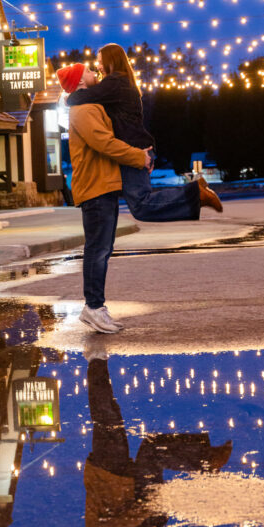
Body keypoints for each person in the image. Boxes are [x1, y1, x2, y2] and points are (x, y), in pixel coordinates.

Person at [79, 356, 233, 527]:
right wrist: (147, 509)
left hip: (112, 479)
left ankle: (97, 362)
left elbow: (117, 525)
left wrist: (146, 510)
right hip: (115, 480)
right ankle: (97, 362)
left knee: (111, 420)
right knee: (113, 422)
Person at [66, 43, 222, 218]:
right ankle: (195, 192)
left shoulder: (115, 82)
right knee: (141, 203)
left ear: (112, 61)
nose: (98, 66)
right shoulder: (123, 82)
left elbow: (84, 96)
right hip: (137, 147)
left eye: (101, 62)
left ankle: (195, 194)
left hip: (133, 149)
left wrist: (68, 97)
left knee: (141, 204)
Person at [57, 62, 151, 334]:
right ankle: (93, 308)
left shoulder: (91, 105)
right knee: (97, 250)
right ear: (80, 82)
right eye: (88, 72)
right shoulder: (83, 109)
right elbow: (104, 143)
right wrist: (139, 157)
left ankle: (96, 306)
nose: (94, 73)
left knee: (102, 249)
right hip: (95, 187)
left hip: (103, 186)